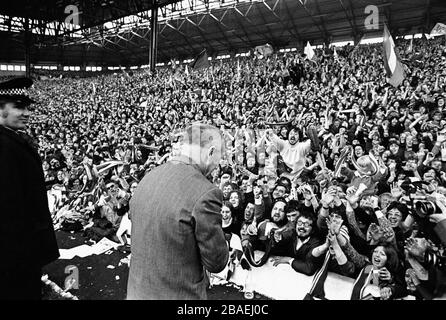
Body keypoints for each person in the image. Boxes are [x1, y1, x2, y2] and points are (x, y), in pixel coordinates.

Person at [127, 122, 229, 300]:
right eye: (220, 156)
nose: (218, 164)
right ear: (211, 152)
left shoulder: (148, 177)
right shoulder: (206, 192)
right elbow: (217, 262)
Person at [0, 77, 59, 300]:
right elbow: (8, 207)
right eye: (18, 106)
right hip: (15, 251)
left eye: (27, 107)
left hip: (22, 248)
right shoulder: (4, 146)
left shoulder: (12, 139)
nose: (26, 113)